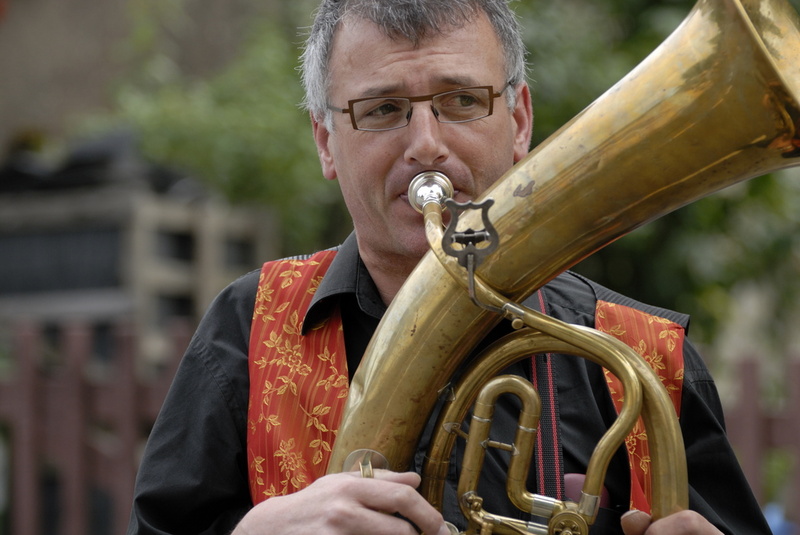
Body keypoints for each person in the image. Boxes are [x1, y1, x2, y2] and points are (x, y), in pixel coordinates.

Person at [127, 1, 771, 534]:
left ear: (518, 122)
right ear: (326, 143)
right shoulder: (247, 329)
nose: (426, 145)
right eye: (382, 110)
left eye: (462, 100)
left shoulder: (647, 356)